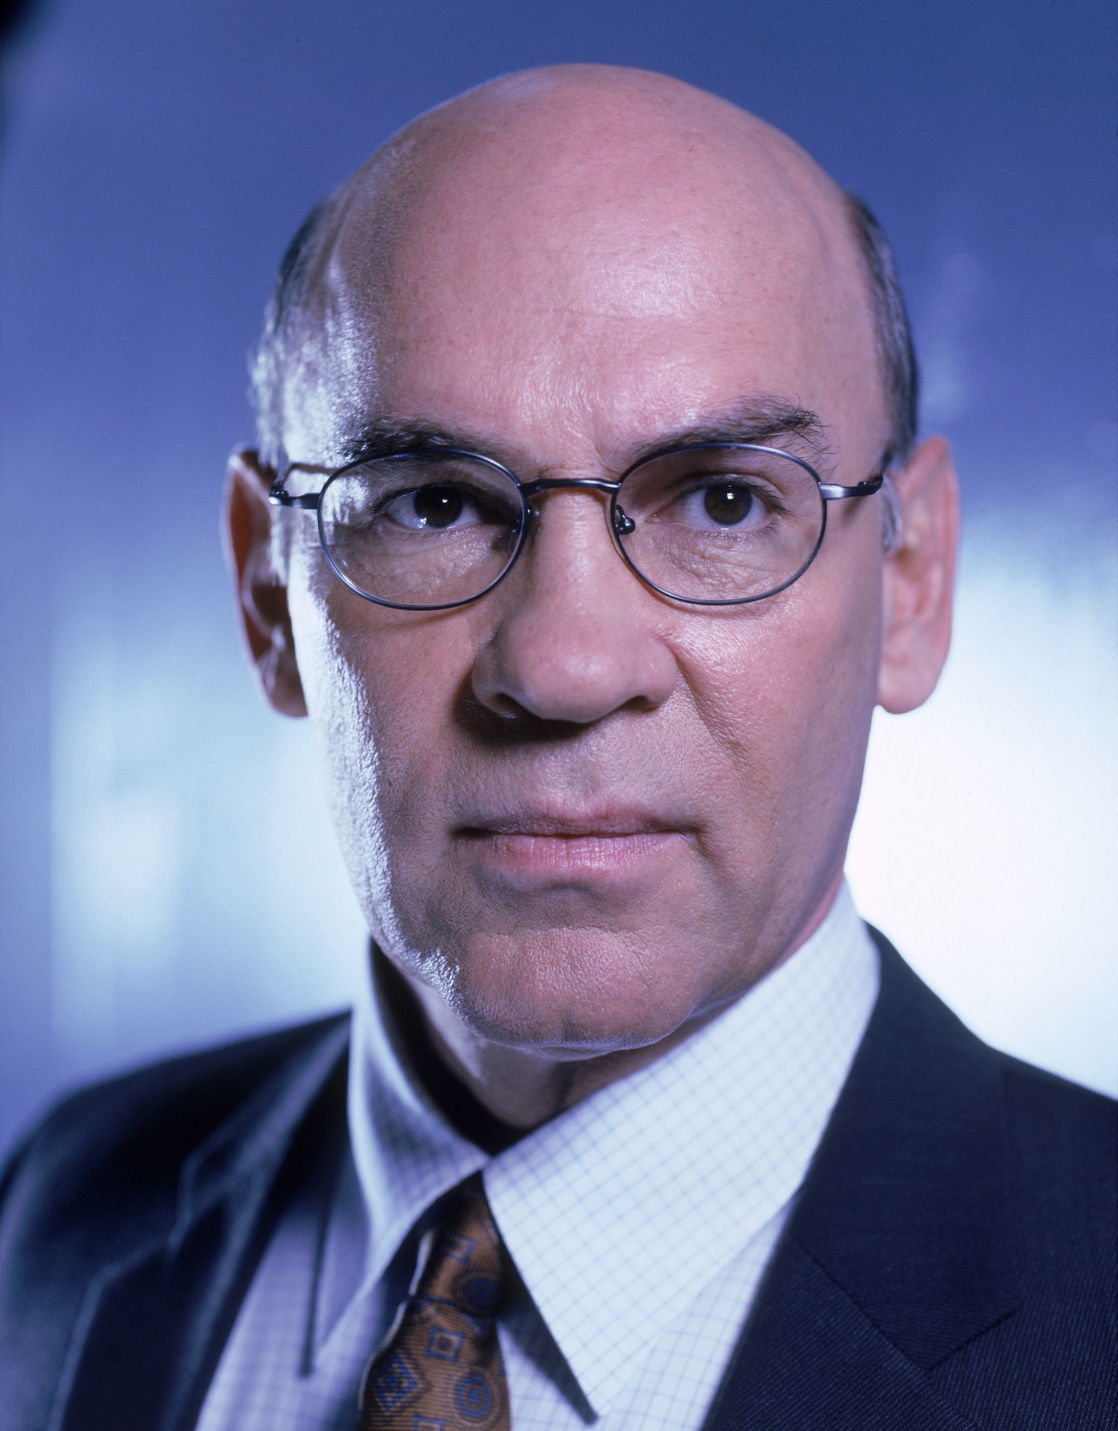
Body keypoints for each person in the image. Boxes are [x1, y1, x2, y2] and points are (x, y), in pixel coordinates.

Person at [0, 64, 1113, 1431]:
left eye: (722, 501)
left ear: (912, 581)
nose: (564, 666)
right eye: (430, 504)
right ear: (269, 594)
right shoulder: (61, 1207)